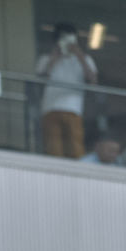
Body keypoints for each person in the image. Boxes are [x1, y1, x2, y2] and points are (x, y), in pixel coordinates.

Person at [36, 23, 96, 159]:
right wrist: (54, 59)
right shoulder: (46, 59)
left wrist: (79, 55)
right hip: (50, 108)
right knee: (53, 149)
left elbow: (93, 80)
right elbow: (39, 83)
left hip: (73, 109)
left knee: (75, 148)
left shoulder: (85, 59)